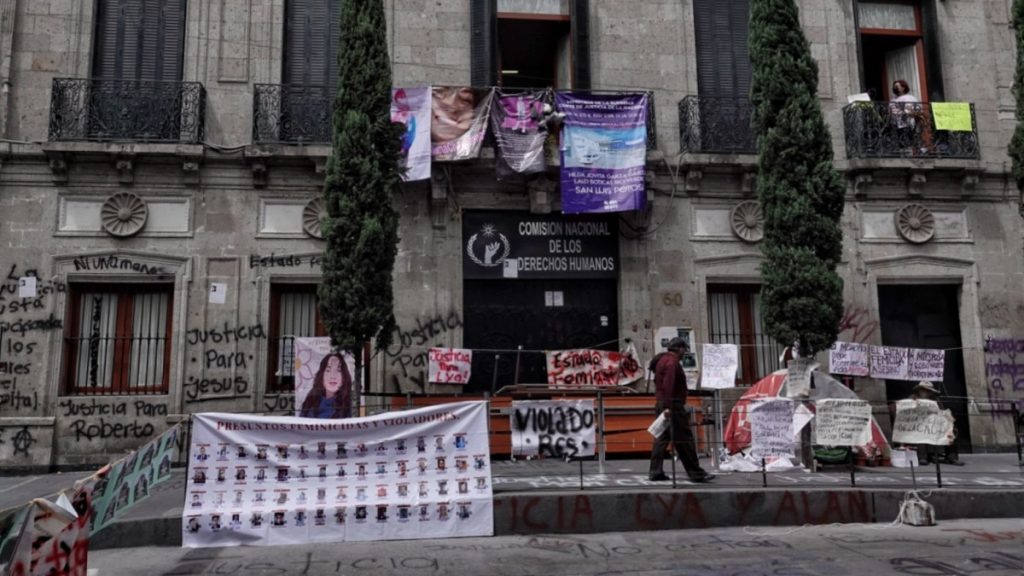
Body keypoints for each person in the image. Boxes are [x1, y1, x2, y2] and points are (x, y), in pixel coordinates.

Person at [648, 337, 715, 483]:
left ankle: (655, 471)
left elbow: (660, 384)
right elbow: (669, 385)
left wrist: (664, 406)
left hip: (662, 403)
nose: (685, 352)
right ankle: (696, 473)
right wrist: (669, 407)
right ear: (679, 349)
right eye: (684, 349)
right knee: (685, 439)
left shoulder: (661, 360)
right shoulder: (672, 363)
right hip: (672, 406)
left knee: (662, 438)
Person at [908, 381, 962, 466]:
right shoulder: (912, 399)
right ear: (919, 391)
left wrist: (949, 420)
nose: (925, 392)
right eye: (923, 390)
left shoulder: (935, 401)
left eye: (927, 391)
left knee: (951, 432)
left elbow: (942, 413)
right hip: (919, 425)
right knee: (920, 432)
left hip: (934, 425)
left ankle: (952, 457)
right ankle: (923, 457)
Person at [300, 352, 353, 419]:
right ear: (321, 375)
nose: (333, 376)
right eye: (328, 370)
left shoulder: (348, 402)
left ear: (344, 377)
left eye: (338, 370)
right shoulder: (311, 399)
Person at [890, 80, 922, 152]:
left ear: (903, 87)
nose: (895, 88)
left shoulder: (909, 98)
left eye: (897, 86)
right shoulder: (893, 99)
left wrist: (905, 112)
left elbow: (912, 110)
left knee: (907, 145)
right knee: (900, 146)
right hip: (895, 125)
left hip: (907, 124)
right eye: (894, 87)